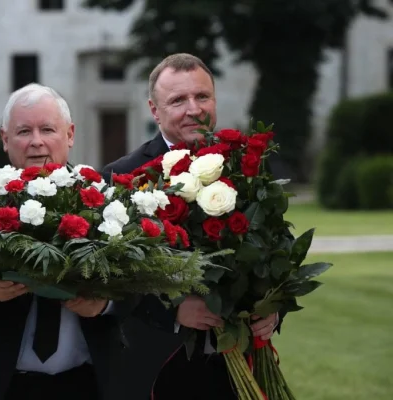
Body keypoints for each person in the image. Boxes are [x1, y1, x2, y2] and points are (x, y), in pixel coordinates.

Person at [103, 53, 281, 400]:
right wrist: (173, 310)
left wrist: (274, 309)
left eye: (202, 96)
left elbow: (276, 247)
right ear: (155, 110)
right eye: (178, 100)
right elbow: (110, 278)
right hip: (157, 369)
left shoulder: (247, 165)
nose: (194, 109)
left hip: (242, 363)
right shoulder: (122, 177)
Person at [0, 83, 179, 400]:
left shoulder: (105, 203)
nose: (36, 141)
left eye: (48, 129)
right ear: (5, 139)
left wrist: (105, 303)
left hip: (89, 383)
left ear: (70, 134)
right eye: (24, 131)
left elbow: (139, 284)